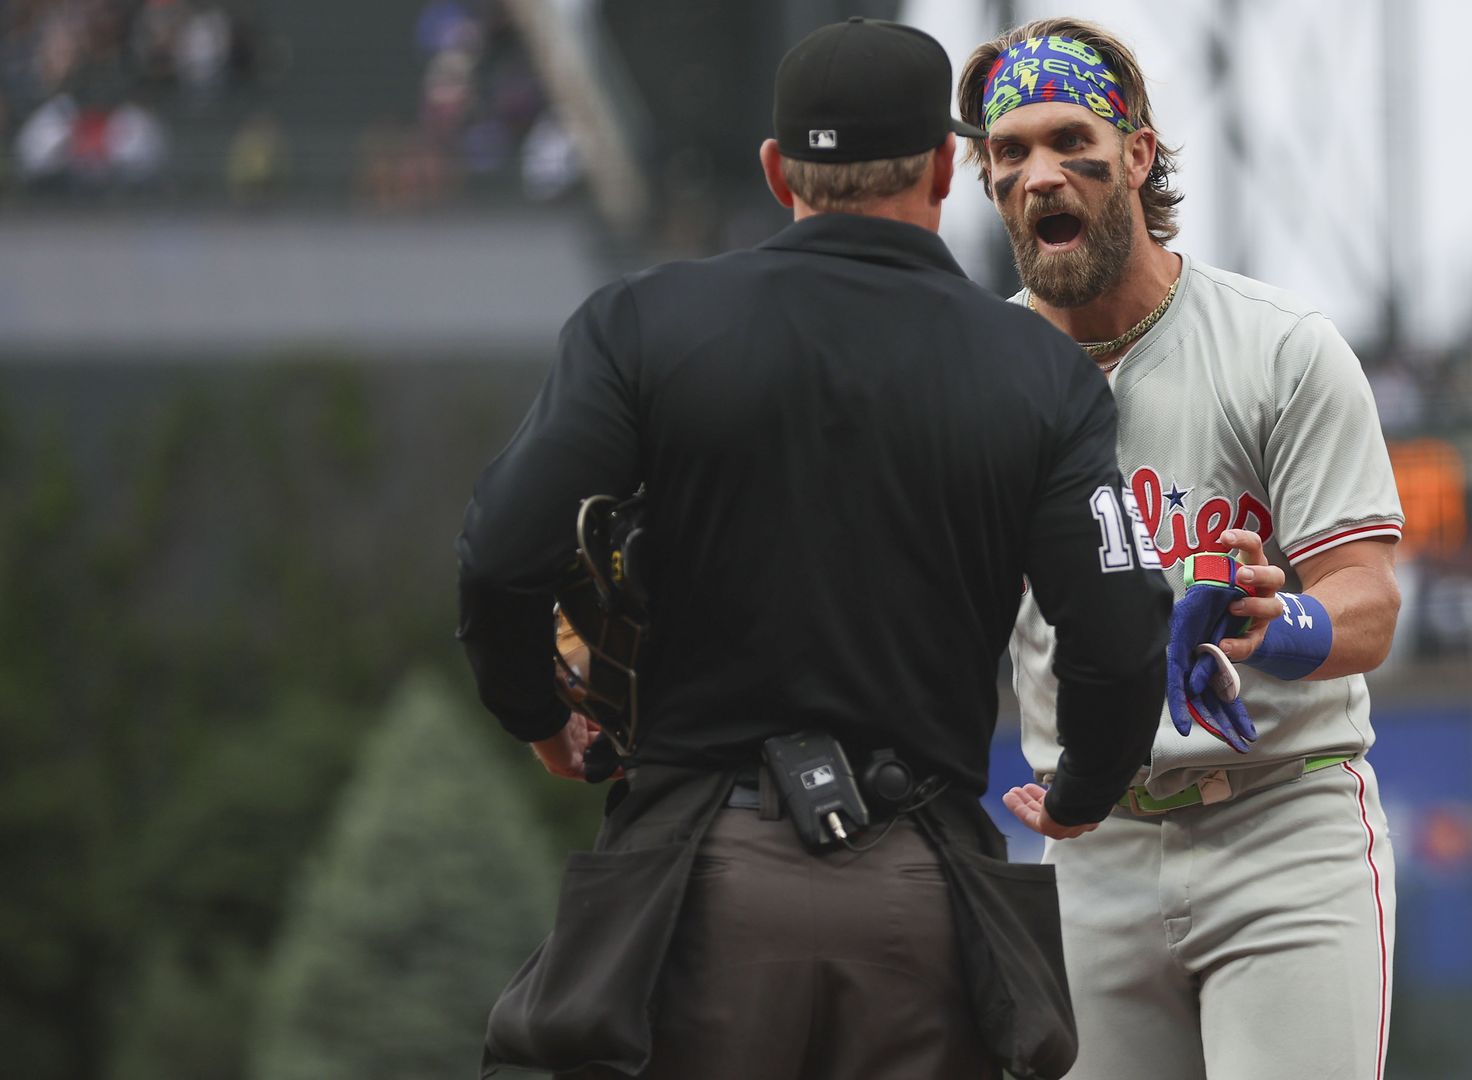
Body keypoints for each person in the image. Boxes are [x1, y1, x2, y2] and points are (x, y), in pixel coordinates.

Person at [456, 17, 1170, 1080]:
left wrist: (536, 712)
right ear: (944, 169)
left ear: (777, 171)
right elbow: (1117, 633)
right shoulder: (1040, 373)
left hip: (694, 887)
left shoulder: (644, 324)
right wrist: (1085, 787)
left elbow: (502, 554)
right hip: (921, 899)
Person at [958, 18, 1407, 1080]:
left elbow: (1370, 603)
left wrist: (1278, 621)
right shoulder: (978, 379)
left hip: (1281, 825)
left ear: (1140, 155)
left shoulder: (1277, 346)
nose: (1039, 174)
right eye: (1009, 152)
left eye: (1073, 142)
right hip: (1090, 845)